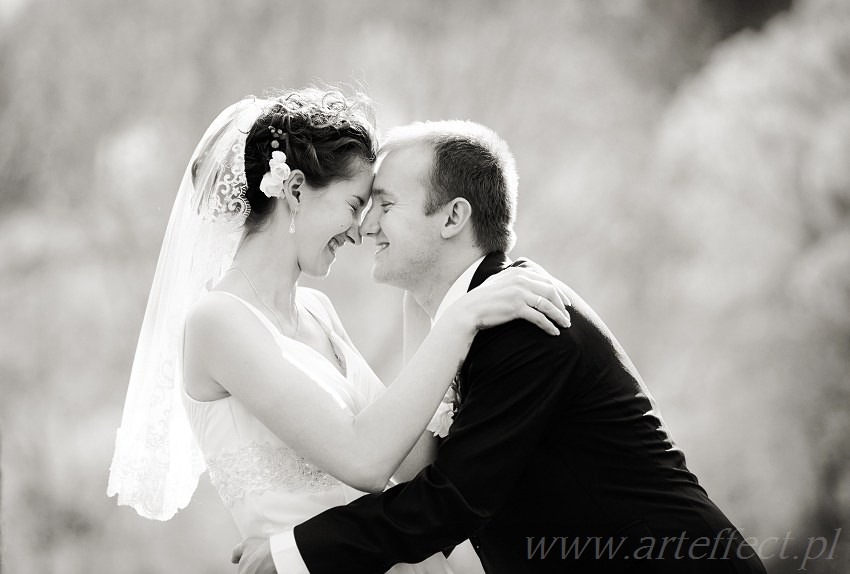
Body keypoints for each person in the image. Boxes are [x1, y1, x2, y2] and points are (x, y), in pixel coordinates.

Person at [234, 120, 768, 574]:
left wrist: (292, 553)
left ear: (452, 217)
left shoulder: (525, 320)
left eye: (385, 204)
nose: (364, 226)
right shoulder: (471, 317)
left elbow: (452, 500)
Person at [106, 88, 571, 574]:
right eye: (354, 204)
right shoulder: (217, 323)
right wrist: (461, 320)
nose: (358, 230)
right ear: (295, 190)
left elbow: (414, 464)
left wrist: (423, 303)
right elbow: (364, 460)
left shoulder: (317, 311)